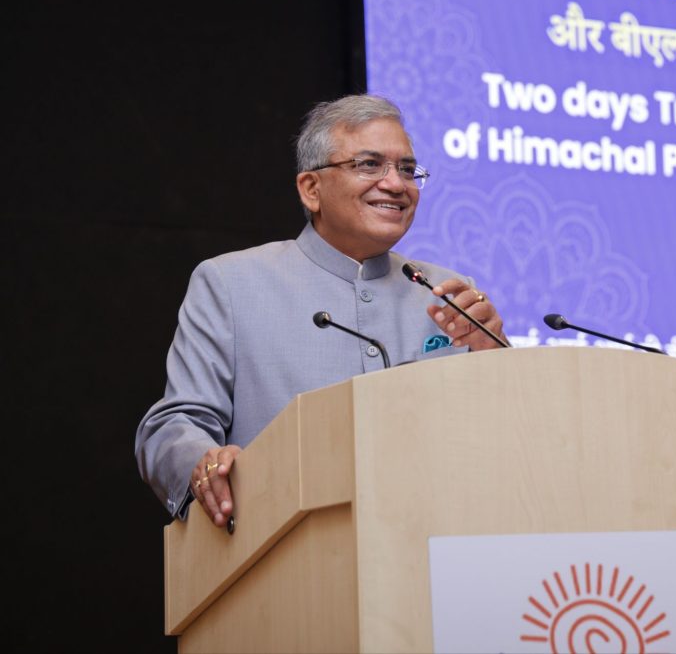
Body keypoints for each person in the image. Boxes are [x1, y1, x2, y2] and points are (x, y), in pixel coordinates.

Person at [136, 95, 508, 527]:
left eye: (407, 169)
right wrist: (203, 463)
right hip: (282, 542)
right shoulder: (231, 283)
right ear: (311, 189)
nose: (396, 184)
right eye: (369, 164)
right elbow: (173, 424)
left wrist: (495, 356)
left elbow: (502, 435)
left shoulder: (450, 292)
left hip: (436, 539)